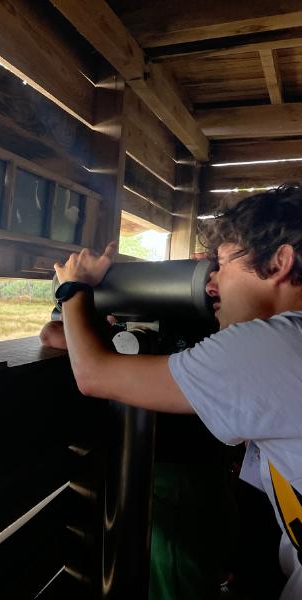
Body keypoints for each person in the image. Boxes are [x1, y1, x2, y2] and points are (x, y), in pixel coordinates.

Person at [42, 184, 302, 600]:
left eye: (220, 266)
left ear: (279, 263)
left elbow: (93, 375)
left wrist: (72, 289)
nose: (211, 284)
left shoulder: (275, 345)